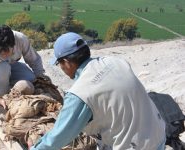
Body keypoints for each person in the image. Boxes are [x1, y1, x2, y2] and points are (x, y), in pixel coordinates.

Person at [31, 32, 166, 149]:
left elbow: (59, 136)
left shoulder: (80, 93)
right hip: (159, 134)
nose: (61, 67)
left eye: (59, 63)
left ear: (66, 62)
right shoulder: (116, 61)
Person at [0, 25, 45, 109]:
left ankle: (9, 85)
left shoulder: (21, 39)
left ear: (13, 44)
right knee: (3, 68)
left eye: (6, 52)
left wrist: (41, 78)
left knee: (31, 79)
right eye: (0, 53)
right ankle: (1, 90)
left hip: (12, 64)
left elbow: (34, 60)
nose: (3, 55)